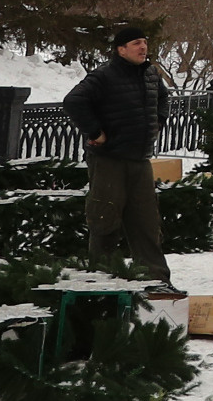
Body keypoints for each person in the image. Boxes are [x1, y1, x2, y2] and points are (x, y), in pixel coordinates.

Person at [62, 23, 181, 298]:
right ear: (121, 49)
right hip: (109, 160)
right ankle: (102, 281)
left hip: (139, 159)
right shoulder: (104, 75)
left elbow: (163, 100)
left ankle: (154, 279)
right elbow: (74, 101)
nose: (143, 47)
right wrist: (95, 131)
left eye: (145, 42)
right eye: (136, 43)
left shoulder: (150, 74)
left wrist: (157, 123)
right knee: (105, 219)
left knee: (146, 223)